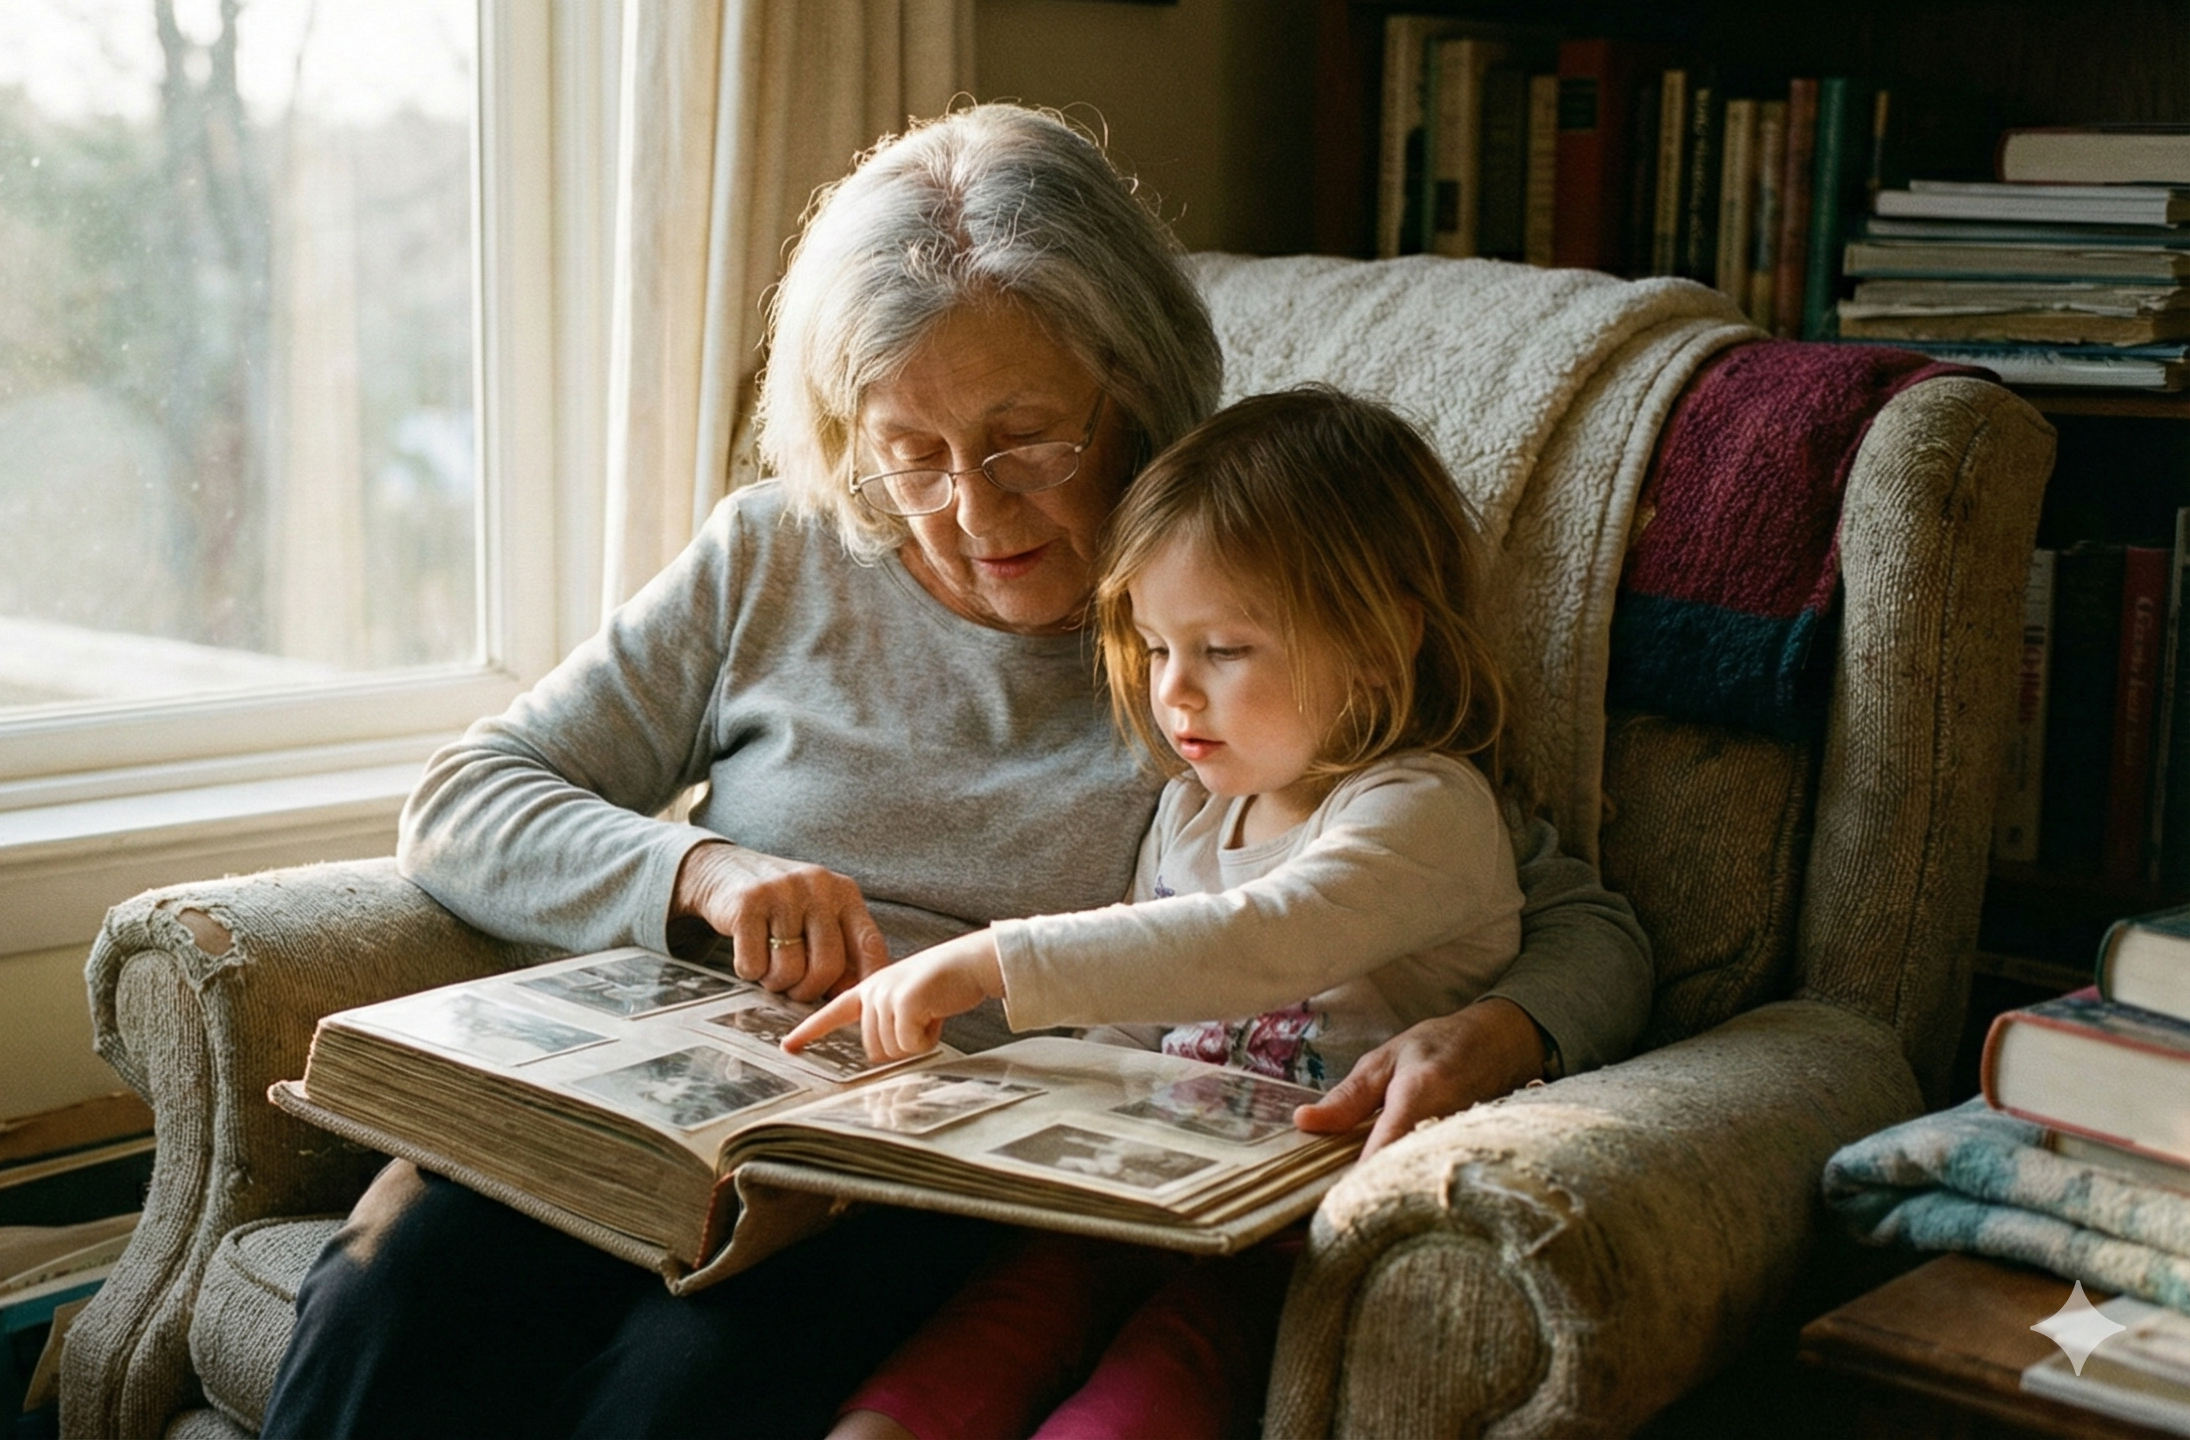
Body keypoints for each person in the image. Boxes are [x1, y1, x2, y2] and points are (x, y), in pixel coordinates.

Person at [259, 103, 1651, 1440]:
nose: (973, 513)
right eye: (909, 452)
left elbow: (1561, 910)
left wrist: (1515, 1030)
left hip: (911, 1191)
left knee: (679, 1396)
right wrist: (701, 870)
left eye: (1026, 441)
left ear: (1137, 389)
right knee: (389, 1297)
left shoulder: (1238, 609)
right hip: (657, 1119)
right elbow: (465, 798)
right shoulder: (771, 559)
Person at [792, 386, 1523, 1440]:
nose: (1173, 694)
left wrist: (992, 962)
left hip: (1280, 1234)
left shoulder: (1423, 810)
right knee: (977, 1340)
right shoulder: (1191, 810)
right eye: (1153, 645)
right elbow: (1122, 1037)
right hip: (1133, 1193)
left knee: (1153, 1385)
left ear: (1377, 641)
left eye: (1222, 650)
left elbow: (1260, 940)